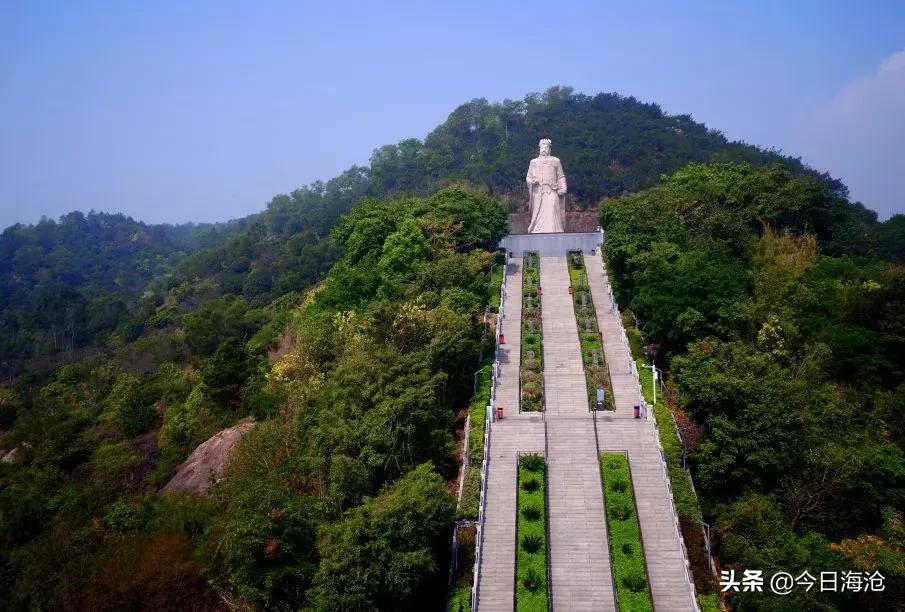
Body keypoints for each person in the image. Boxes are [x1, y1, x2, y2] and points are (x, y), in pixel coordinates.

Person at [526, 138, 567, 233]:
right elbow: (528, 177)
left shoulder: (556, 161)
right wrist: (532, 182)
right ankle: (537, 231)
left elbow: (561, 176)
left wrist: (563, 187)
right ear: (539, 148)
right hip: (539, 193)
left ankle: (555, 231)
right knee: (538, 214)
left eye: (546, 147)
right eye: (542, 147)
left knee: (552, 210)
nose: (544, 149)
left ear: (550, 149)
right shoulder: (533, 162)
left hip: (552, 191)